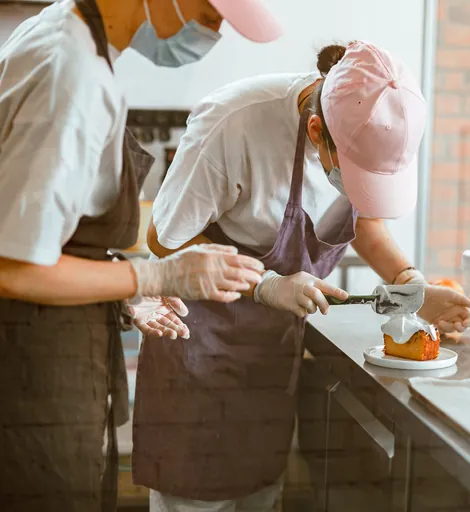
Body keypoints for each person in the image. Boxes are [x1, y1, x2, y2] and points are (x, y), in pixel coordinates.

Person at [131, 41, 470, 511]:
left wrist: (410, 282)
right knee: (195, 498)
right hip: (201, 341)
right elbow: (165, 238)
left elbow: (365, 221)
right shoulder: (235, 123)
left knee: (260, 493)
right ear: (316, 131)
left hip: (270, 354)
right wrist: (264, 284)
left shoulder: (366, 127)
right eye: (355, 175)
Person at [0, 1, 282, 510]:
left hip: (50, 344)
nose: (214, 30)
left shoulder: (63, 31)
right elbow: (16, 268)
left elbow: (48, 235)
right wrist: (154, 277)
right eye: (210, 11)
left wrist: (122, 285)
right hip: (30, 369)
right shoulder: (72, 74)